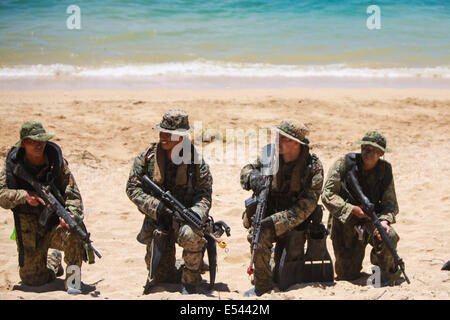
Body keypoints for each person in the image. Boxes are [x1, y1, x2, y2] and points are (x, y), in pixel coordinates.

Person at [126, 110, 213, 295]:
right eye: (161, 132)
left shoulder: (195, 162)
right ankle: (182, 264)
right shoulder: (147, 158)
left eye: (169, 134)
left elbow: (204, 194)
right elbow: (132, 188)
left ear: (181, 137)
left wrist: (195, 213)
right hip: (158, 220)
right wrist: (157, 207)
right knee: (161, 277)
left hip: (185, 218)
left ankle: (191, 280)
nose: (163, 137)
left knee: (191, 235)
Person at [0, 121, 92, 292]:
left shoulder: (56, 163)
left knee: (74, 231)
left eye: (41, 140)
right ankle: (53, 262)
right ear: (24, 143)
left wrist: (71, 215)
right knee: (32, 280)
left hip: (54, 224)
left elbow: (73, 194)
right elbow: (1, 194)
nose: (39, 145)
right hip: (29, 228)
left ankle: (73, 282)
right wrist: (23, 196)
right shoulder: (12, 165)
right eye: (33, 141)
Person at [240, 120, 324, 296]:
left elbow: (306, 207)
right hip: (270, 213)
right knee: (258, 236)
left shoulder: (313, 167)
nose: (277, 140)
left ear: (296, 143)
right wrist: (253, 177)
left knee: (285, 277)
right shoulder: (269, 155)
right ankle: (262, 288)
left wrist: (275, 221)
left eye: (283, 138)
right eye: (277, 136)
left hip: (295, 222)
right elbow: (246, 169)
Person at [321, 131, 402, 285]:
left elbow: (390, 205)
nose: (368, 153)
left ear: (381, 153)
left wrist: (384, 222)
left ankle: (380, 269)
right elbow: (327, 194)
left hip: (372, 219)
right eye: (365, 148)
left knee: (388, 236)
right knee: (347, 274)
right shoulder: (344, 163)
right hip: (346, 221)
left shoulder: (385, 171)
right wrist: (351, 209)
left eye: (373, 150)